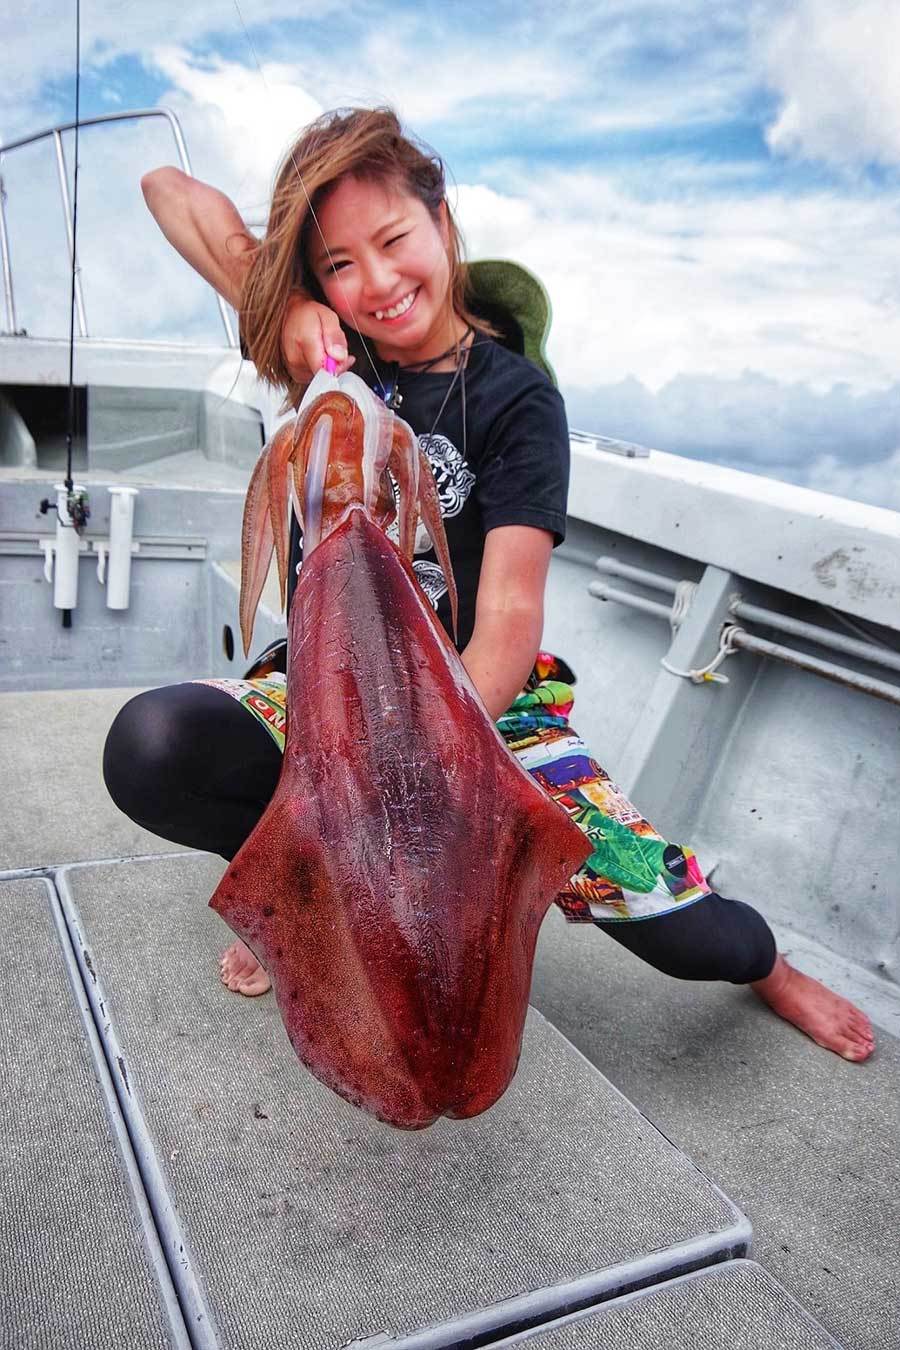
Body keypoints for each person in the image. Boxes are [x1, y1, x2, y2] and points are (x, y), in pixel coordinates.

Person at [104, 107, 874, 1064]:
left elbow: (508, 617)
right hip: (324, 688)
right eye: (340, 263)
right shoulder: (333, 352)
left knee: (693, 936)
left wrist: (415, 772)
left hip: (485, 709)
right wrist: (284, 296)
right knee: (153, 746)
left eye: (394, 241)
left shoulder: (516, 400)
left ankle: (773, 970)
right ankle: (298, 911)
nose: (376, 283)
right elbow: (165, 191)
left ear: (445, 226)